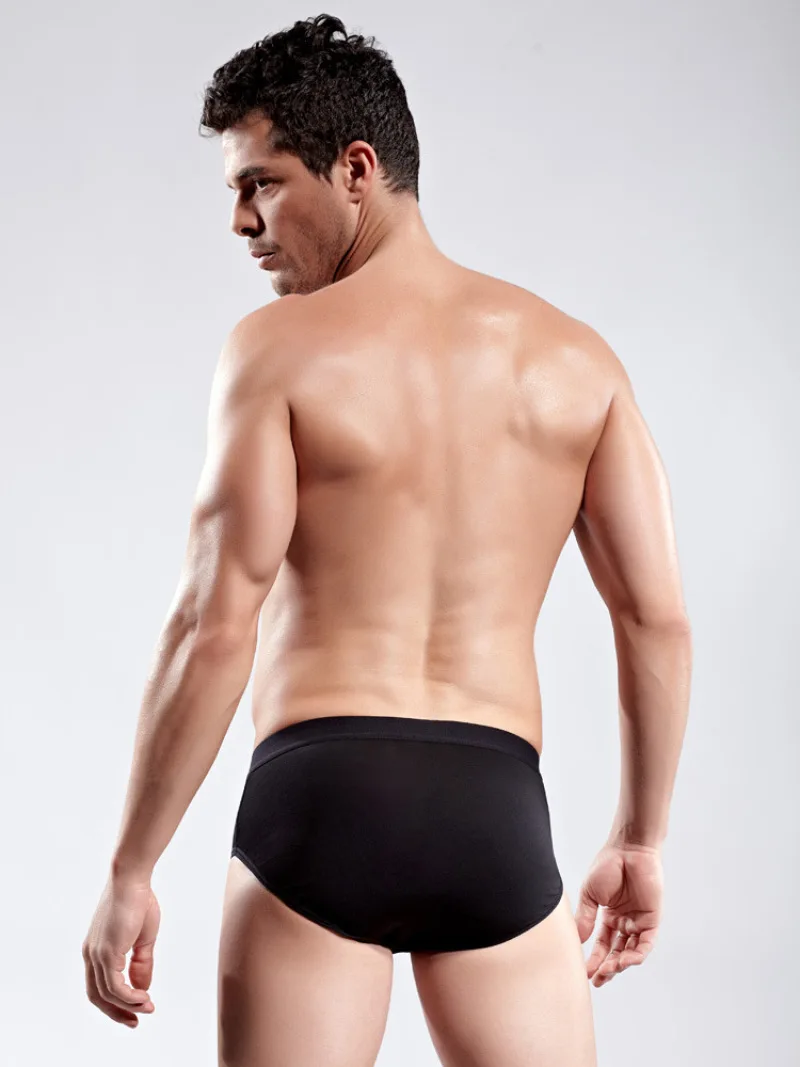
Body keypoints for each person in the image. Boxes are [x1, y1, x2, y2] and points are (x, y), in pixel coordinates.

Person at [81, 13, 692, 1066]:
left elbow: (213, 624)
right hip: (495, 810)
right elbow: (656, 618)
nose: (240, 221)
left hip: (323, 796)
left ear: (356, 169)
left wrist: (131, 867)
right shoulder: (578, 361)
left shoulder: (275, 350)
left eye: (261, 183)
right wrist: (639, 838)